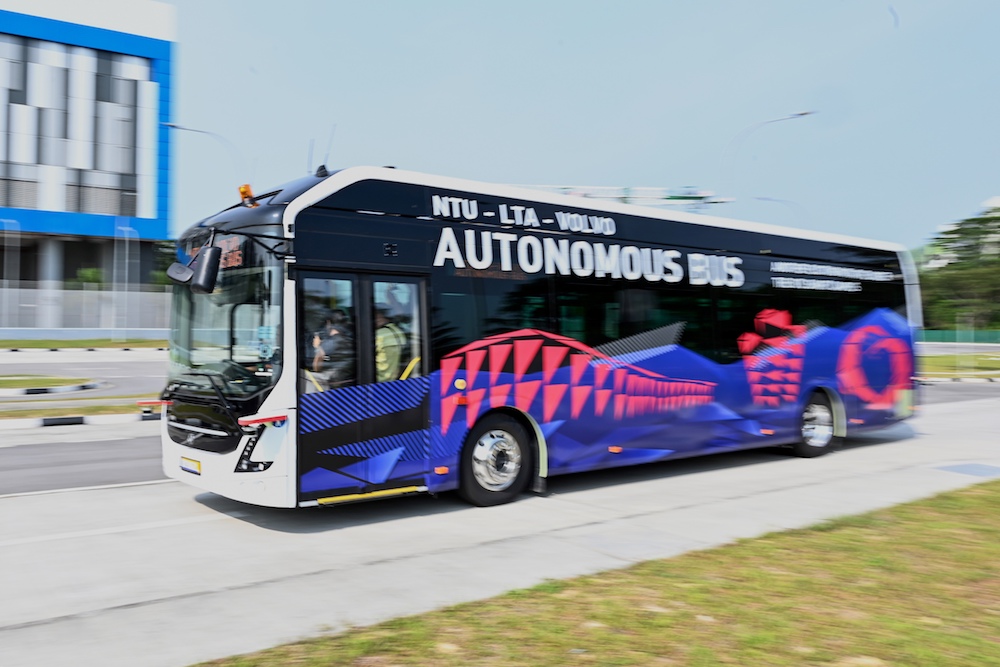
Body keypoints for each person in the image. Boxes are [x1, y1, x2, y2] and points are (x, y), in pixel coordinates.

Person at [312, 309, 355, 388]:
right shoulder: (349, 339)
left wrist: (317, 347)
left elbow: (316, 367)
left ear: (328, 323)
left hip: (334, 385)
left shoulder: (330, 343)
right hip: (347, 382)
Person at [374, 304, 405, 382]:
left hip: (380, 380)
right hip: (395, 379)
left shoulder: (380, 335)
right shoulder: (399, 331)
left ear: (380, 316)